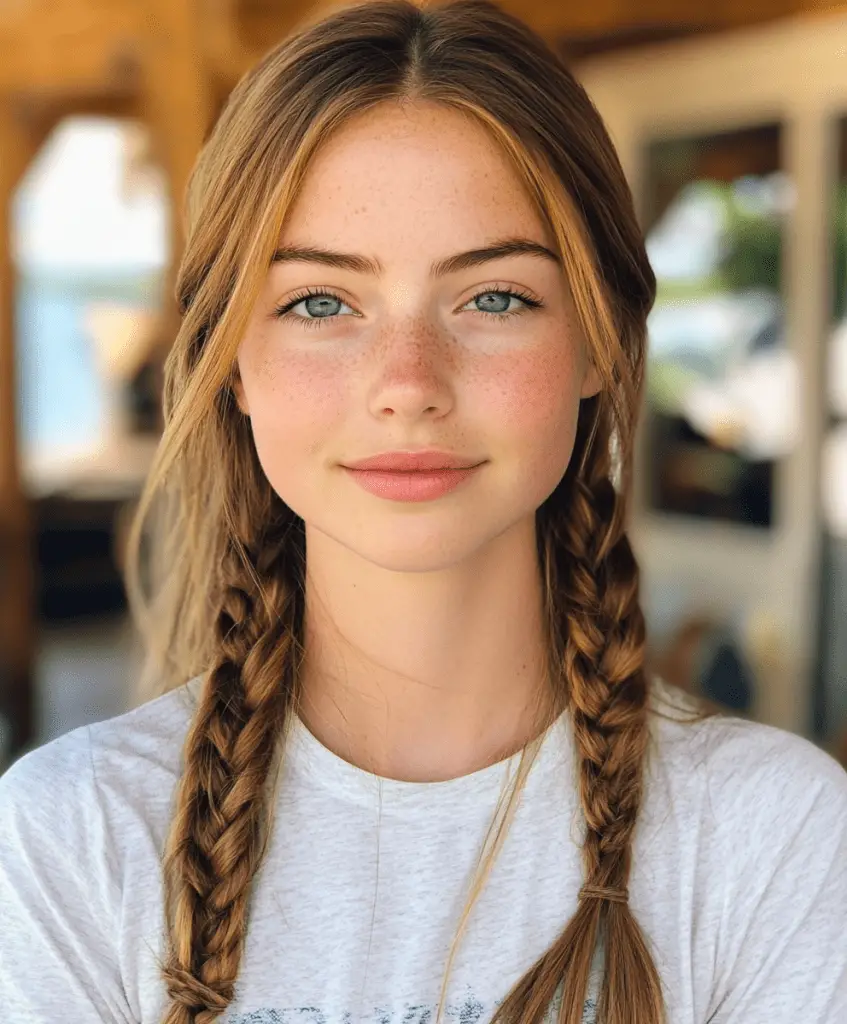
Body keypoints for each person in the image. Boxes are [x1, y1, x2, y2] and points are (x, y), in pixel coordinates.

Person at [1, 2, 845, 1022]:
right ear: (233, 360)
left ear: (599, 345)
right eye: (320, 302)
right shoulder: (67, 843)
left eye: (492, 297)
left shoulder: (774, 837)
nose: (407, 382)